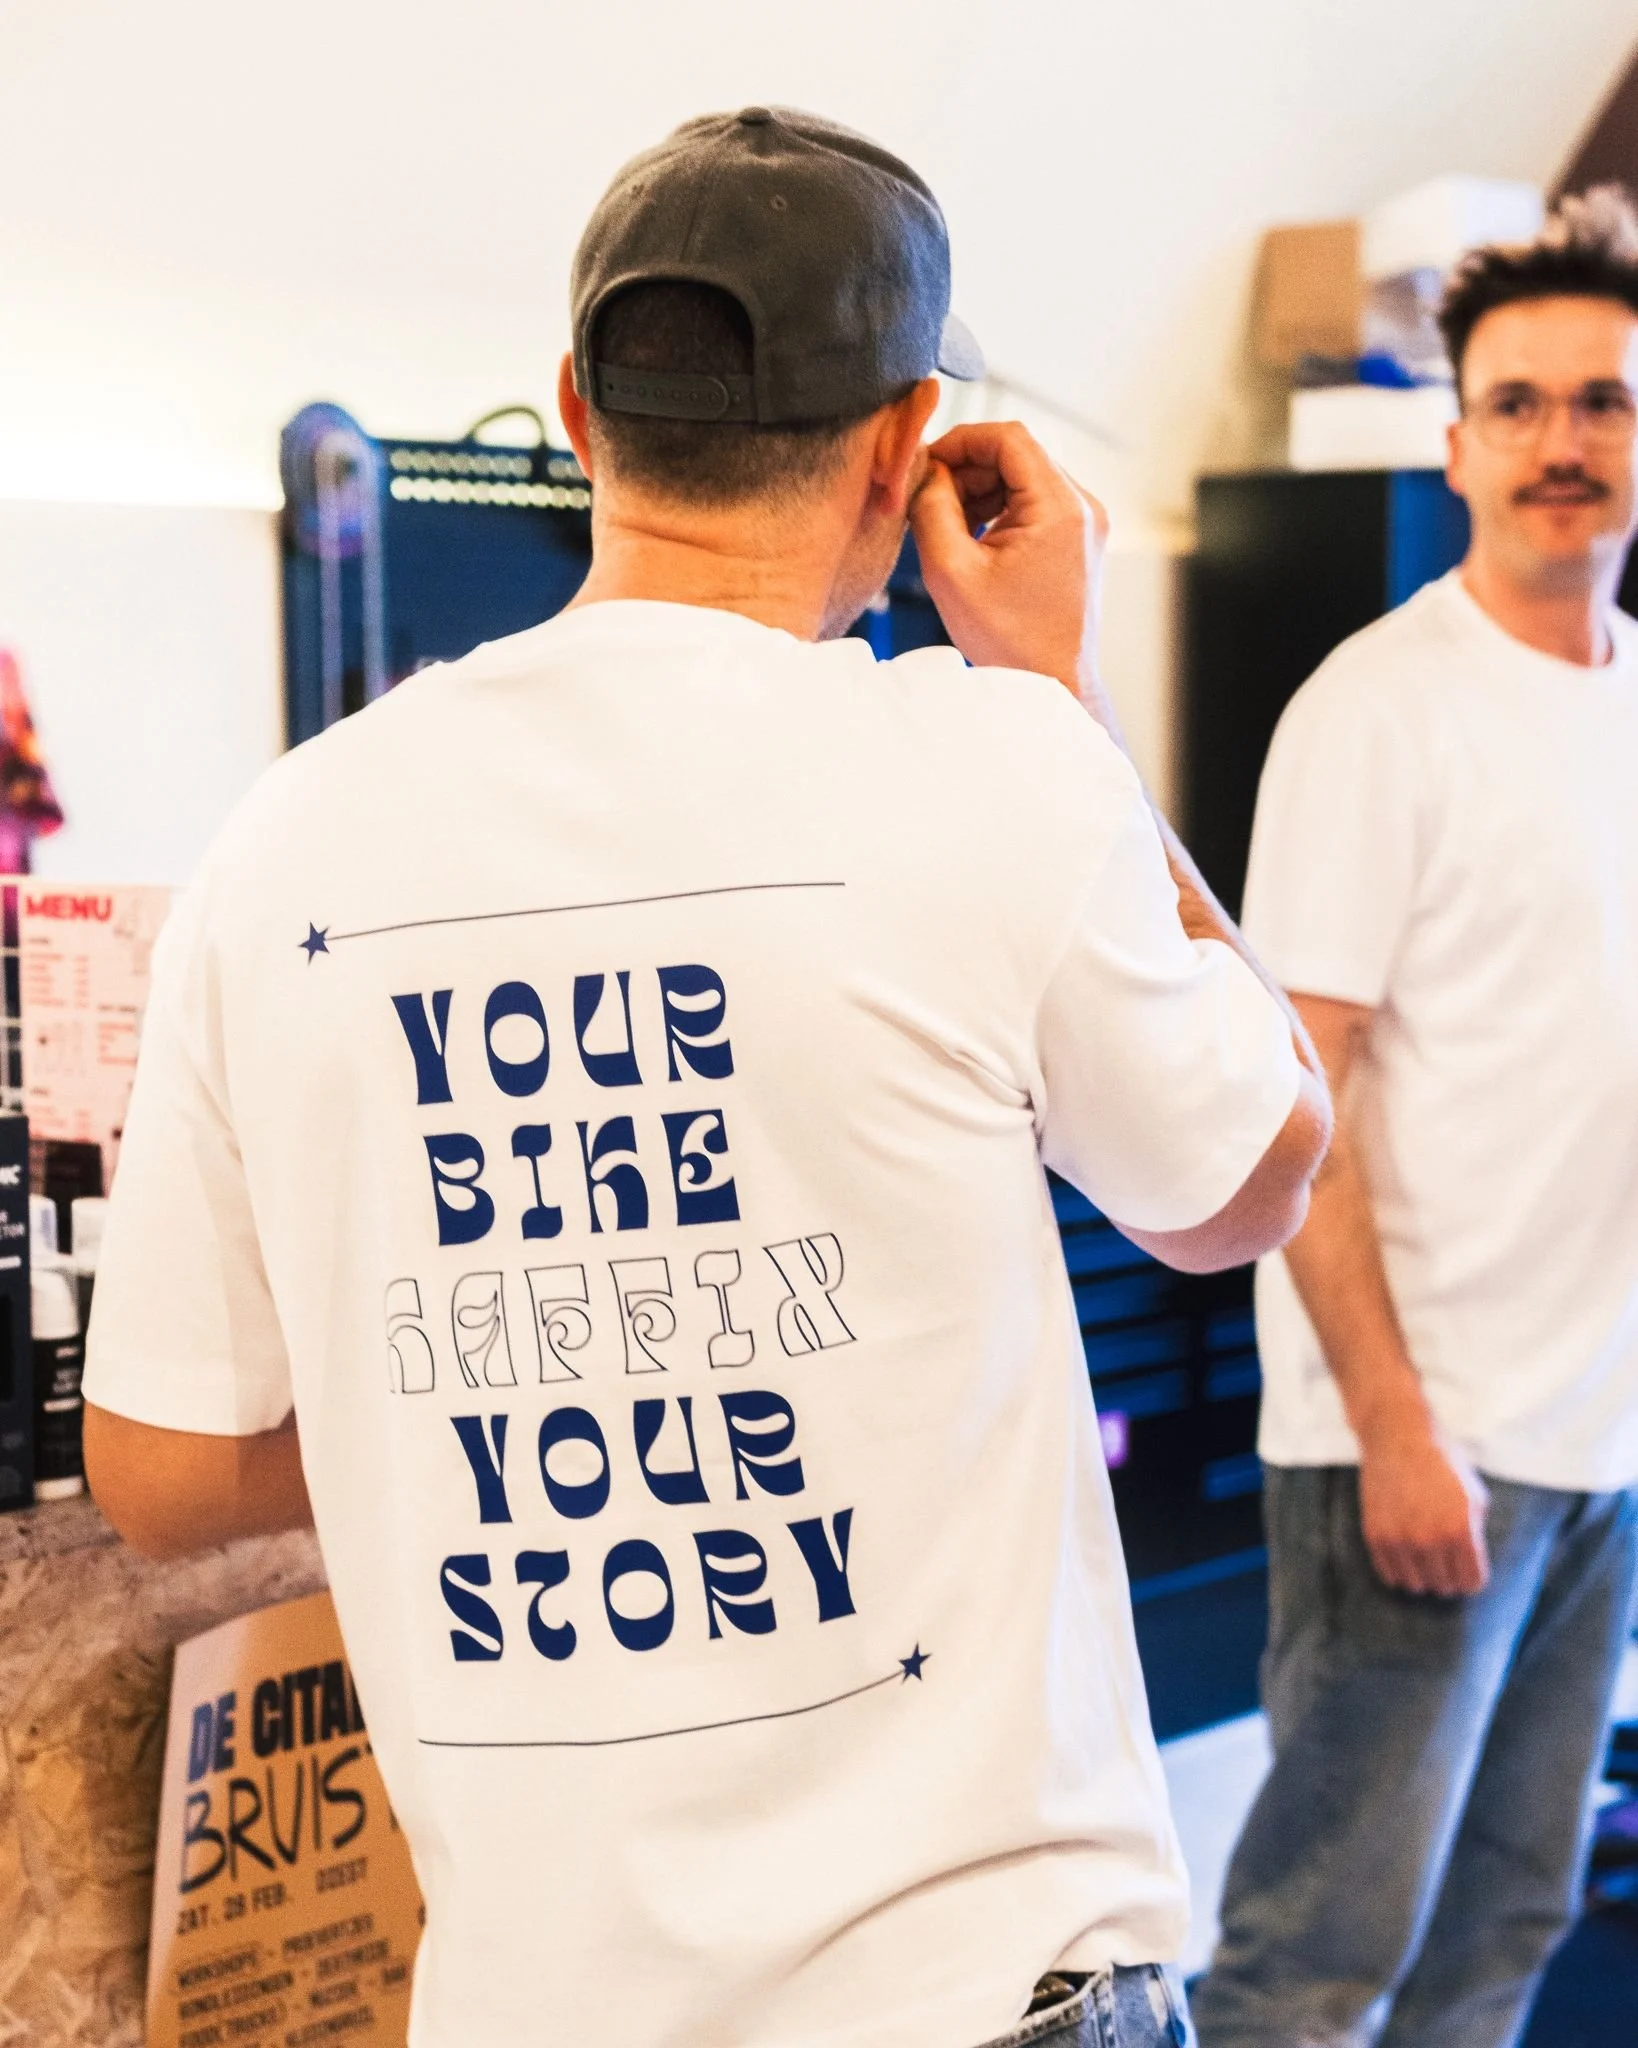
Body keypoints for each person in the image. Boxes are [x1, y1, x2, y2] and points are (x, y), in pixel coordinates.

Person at [83, 108, 1327, 2048]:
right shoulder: (991, 769)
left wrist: (523, 1353)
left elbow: (158, 1471)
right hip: (971, 1995)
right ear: (914, 446)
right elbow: (1254, 1172)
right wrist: (1059, 701)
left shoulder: (286, 845)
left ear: (578, 417)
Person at [1192, 187, 1638, 2048]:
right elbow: (1302, 1113)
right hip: (1415, 1450)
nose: (1563, 442)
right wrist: (1391, 1433)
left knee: (1508, 1924)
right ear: (1452, 445)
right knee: (1314, 1965)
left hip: (1592, 1443)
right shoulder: (1376, 714)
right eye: (1520, 406)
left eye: (1601, 402)